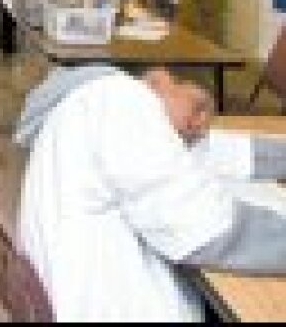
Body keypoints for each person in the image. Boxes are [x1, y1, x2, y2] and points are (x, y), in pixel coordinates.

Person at [15, 65, 286, 322]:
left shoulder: (86, 108)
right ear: (157, 80)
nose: (198, 124)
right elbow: (205, 230)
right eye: (196, 110)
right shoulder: (123, 101)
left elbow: (214, 153)